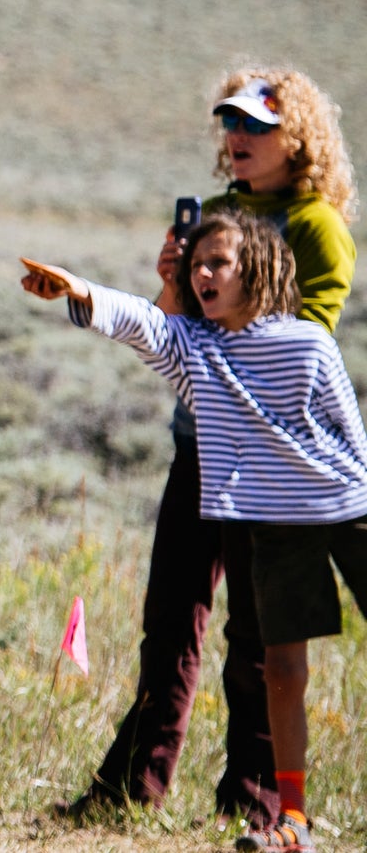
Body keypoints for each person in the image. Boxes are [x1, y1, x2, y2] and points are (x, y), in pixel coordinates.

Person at [63, 67, 356, 828]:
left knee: (258, 642)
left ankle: (255, 807)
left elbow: (304, 343)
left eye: (257, 126)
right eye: (231, 124)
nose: (238, 138)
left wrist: (227, 300)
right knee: (169, 621)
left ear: (298, 138)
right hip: (201, 446)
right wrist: (172, 283)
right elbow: (178, 333)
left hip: (273, 467)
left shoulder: (319, 225)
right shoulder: (218, 214)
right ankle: (130, 791)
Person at [23, 207, 367, 853]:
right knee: (283, 673)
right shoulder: (196, 352)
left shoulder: (308, 344)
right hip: (276, 527)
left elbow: (351, 438)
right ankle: (292, 822)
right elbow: (144, 322)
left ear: (257, 271)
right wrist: (81, 290)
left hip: (346, 505)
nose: (200, 273)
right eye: (195, 264)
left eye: (218, 264)